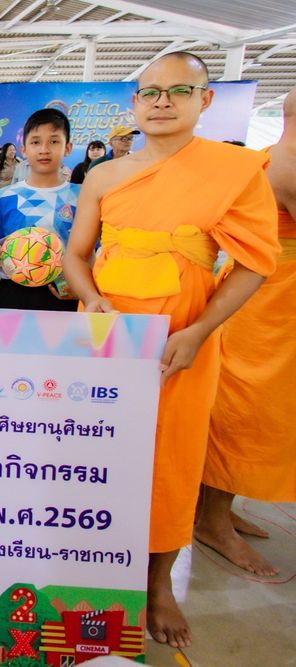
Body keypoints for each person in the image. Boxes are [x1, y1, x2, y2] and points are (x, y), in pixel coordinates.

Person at [63, 52, 279, 649]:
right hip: (106, 335)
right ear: (133, 104)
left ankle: (158, 583)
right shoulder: (105, 176)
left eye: (178, 91)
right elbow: (75, 256)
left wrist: (199, 332)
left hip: (181, 338)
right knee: (95, 455)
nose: (162, 102)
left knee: (171, 459)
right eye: (150, 92)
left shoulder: (234, 170)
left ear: (204, 101)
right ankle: (88, 566)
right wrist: (93, 303)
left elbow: (255, 263)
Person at [196, 86, 296, 577]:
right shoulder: (286, 164)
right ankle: (213, 520)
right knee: (242, 412)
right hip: (264, 306)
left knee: (252, 411)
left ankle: (219, 510)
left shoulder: (267, 158)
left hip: (272, 304)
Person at [0, 109, 80, 312]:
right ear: (23, 149)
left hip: (64, 292)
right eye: (35, 142)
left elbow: (94, 252)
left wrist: (82, 288)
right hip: (12, 293)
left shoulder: (82, 197)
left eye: (54, 141)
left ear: (68, 148)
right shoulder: (4, 197)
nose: (44, 149)